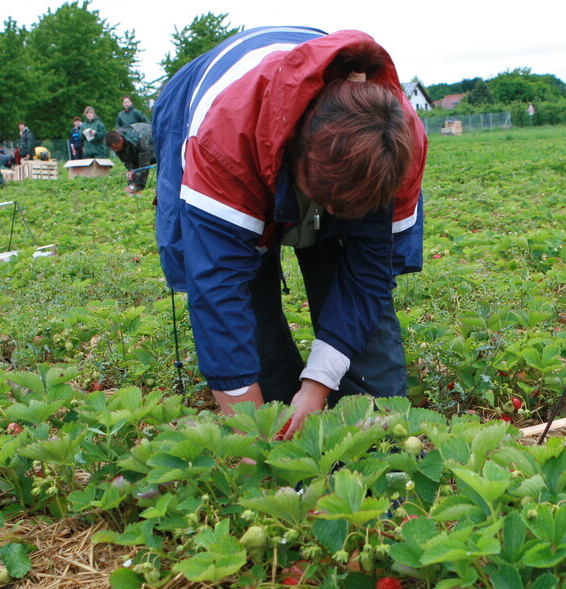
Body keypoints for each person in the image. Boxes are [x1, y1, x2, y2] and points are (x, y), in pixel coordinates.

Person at [152, 26, 427, 436]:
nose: (330, 212)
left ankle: (372, 441)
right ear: (295, 154)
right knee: (249, 303)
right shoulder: (223, 144)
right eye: (325, 201)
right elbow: (220, 295)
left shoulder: (399, 144)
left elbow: (367, 276)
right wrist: (252, 437)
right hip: (220, 118)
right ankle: (278, 430)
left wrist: (316, 387)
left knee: (345, 280)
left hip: (308, 131)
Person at [106, 123, 153, 194]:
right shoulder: (116, 142)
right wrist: (131, 171)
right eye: (113, 149)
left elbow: (144, 166)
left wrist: (134, 186)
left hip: (155, 139)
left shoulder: (140, 140)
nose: (115, 150)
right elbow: (127, 161)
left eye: (115, 148)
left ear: (121, 140)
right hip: (136, 143)